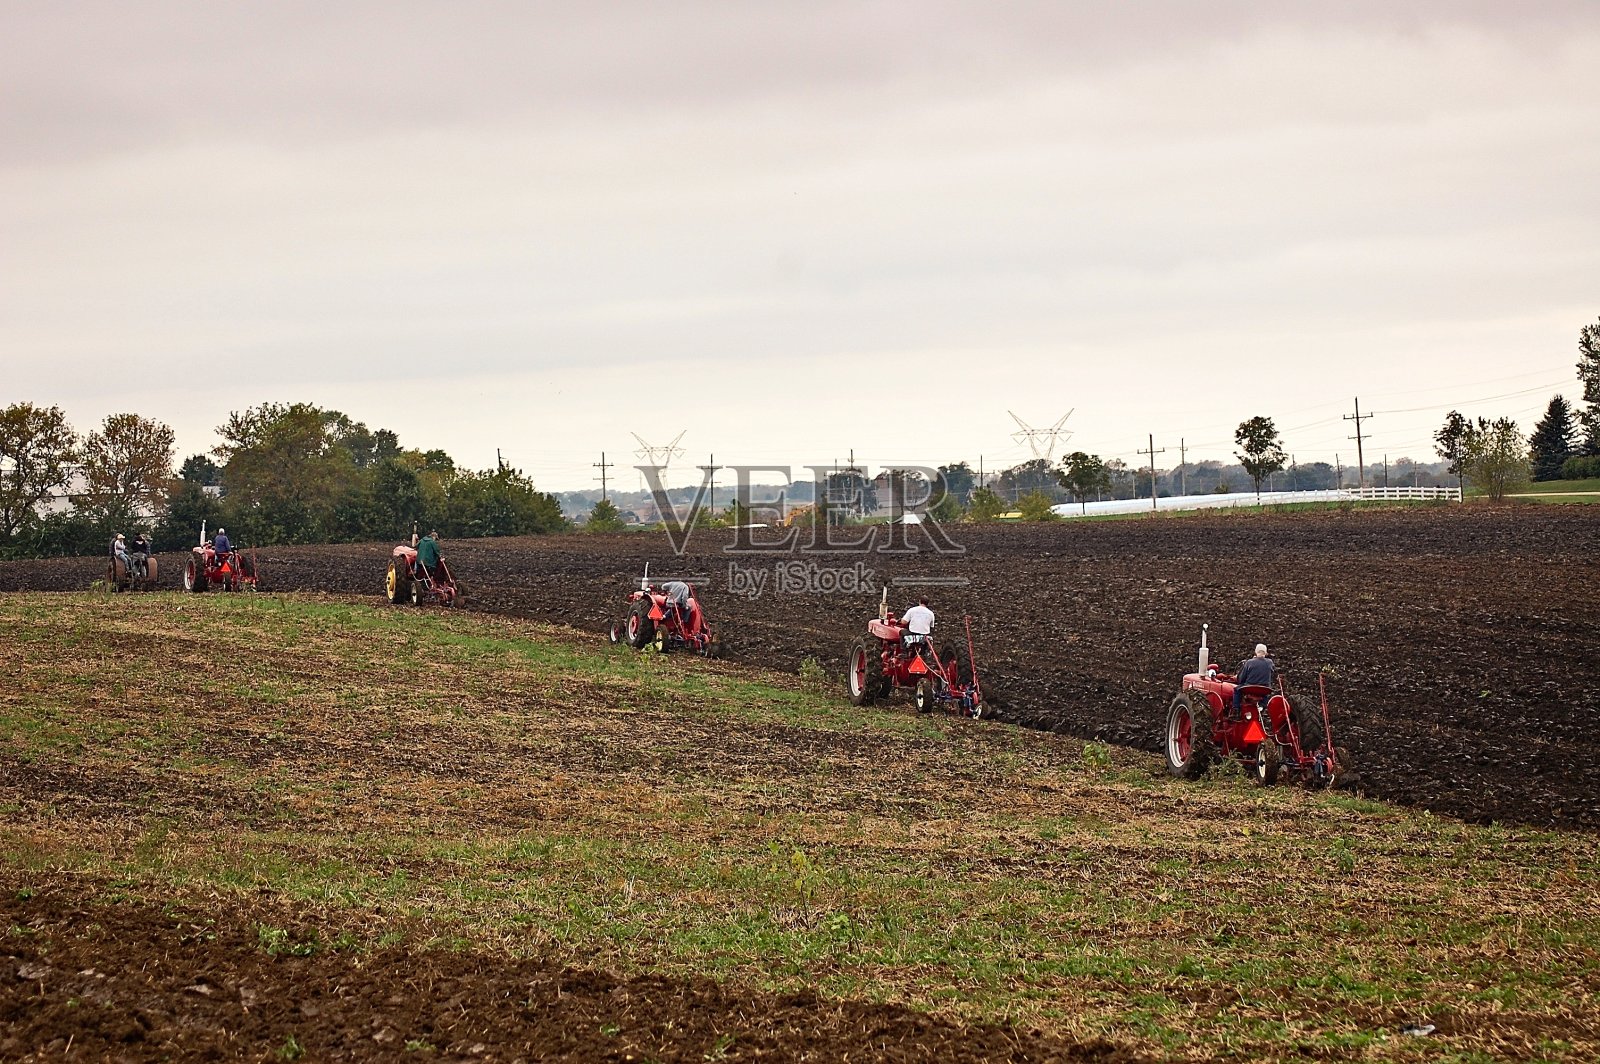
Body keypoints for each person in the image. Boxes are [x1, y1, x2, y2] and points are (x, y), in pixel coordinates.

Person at [1232, 643, 1276, 712]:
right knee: (1266, 694)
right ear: (1266, 652)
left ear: (1256, 652)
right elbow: (1273, 674)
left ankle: (1236, 709)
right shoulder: (1270, 662)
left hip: (1250, 688)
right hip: (1264, 689)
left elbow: (1241, 678)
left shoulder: (1249, 662)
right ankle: (1262, 706)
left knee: (1236, 690)